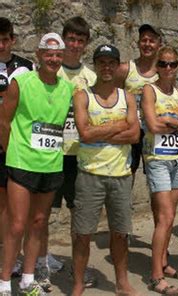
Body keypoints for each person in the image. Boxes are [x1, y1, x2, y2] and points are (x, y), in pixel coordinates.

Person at [0, 33, 74, 295]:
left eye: (58, 55)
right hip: (21, 164)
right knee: (17, 224)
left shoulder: (68, 88)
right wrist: (13, 152)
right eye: (48, 54)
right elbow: (4, 120)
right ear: (39, 55)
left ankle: (28, 279)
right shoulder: (20, 82)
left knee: (38, 222)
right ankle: (5, 282)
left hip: (51, 165)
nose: (53, 59)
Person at [71, 44, 139, 296]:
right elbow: (84, 134)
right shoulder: (83, 96)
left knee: (120, 234)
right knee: (82, 234)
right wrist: (118, 124)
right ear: (95, 65)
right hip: (90, 175)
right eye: (101, 62)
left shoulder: (127, 97)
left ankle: (122, 283)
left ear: (118, 65)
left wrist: (100, 131)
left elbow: (133, 134)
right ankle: (78, 284)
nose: (107, 67)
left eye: (111, 62)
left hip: (120, 176)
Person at [45, 16, 97, 289]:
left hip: (80, 157)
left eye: (80, 40)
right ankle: (40, 261)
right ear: (63, 39)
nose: (75, 45)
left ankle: (80, 269)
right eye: (71, 39)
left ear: (86, 44)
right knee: (40, 215)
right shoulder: (49, 70)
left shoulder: (91, 77)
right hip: (50, 155)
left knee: (80, 217)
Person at [141, 46, 178, 295]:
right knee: (165, 218)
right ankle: (155, 276)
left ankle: (163, 262)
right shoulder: (150, 90)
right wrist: (176, 123)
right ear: (157, 66)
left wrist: (171, 123)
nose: (168, 69)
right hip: (157, 159)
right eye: (163, 64)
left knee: (170, 218)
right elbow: (152, 125)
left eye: (172, 64)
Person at [0, 16, 34, 266]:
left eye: (4, 40)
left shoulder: (27, 67)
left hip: (18, 145)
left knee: (15, 206)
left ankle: (12, 257)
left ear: (12, 40)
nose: (1, 45)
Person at [116, 24, 162, 176]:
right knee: (128, 172)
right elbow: (114, 98)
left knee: (156, 175)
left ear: (159, 44)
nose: (147, 44)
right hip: (131, 129)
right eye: (144, 40)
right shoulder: (125, 69)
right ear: (138, 43)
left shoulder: (163, 72)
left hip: (153, 131)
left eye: (151, 41)